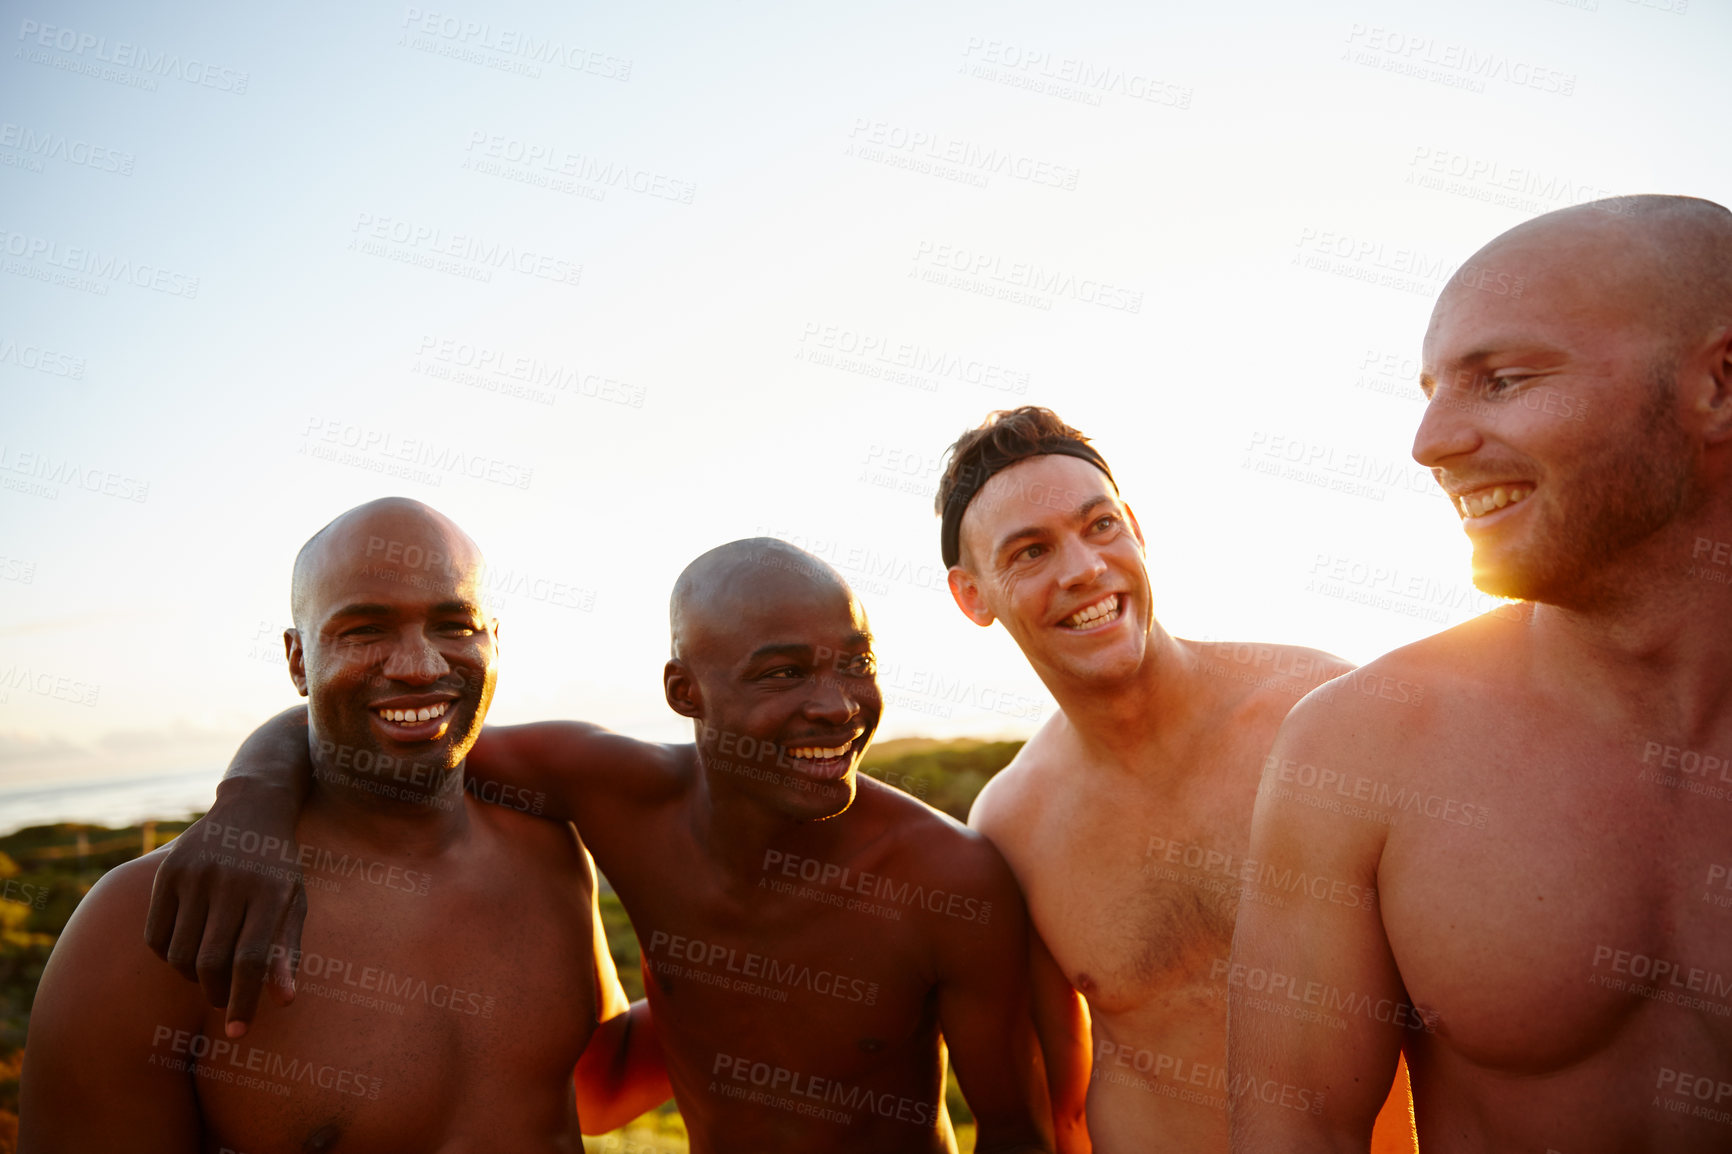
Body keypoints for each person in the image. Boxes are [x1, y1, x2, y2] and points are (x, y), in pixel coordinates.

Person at [140, 536, 1055, 1153]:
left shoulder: (948, 879)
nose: (836, 703)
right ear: (683, 692)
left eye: (855, 660)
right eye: (781, 672)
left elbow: (1026, 1137)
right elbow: (385, 728)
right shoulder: (609, 793)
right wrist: (250, 802)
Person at [1226, 195, 1732, 1151]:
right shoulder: (1363, 745)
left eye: (1500, 381)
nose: (1430, 445)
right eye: (1431, 393)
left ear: (1720, 383)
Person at [19, 498, 665, 1152]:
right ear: (298, 661)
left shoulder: (549, 853)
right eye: (363, 630)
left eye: (454, 624)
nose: (419, 666)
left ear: (494, 640)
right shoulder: (154, 917)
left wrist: (742, 965)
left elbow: (597, 1088)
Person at [938, 407, 1416, 1153]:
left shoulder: (1318, 717)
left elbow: (1471, 1027)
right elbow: (1058, 1115)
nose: (1084, 569)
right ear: (973, 596)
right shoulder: (1011, 824)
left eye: (1099, 526)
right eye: (1030, 552)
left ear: (1133, 527)